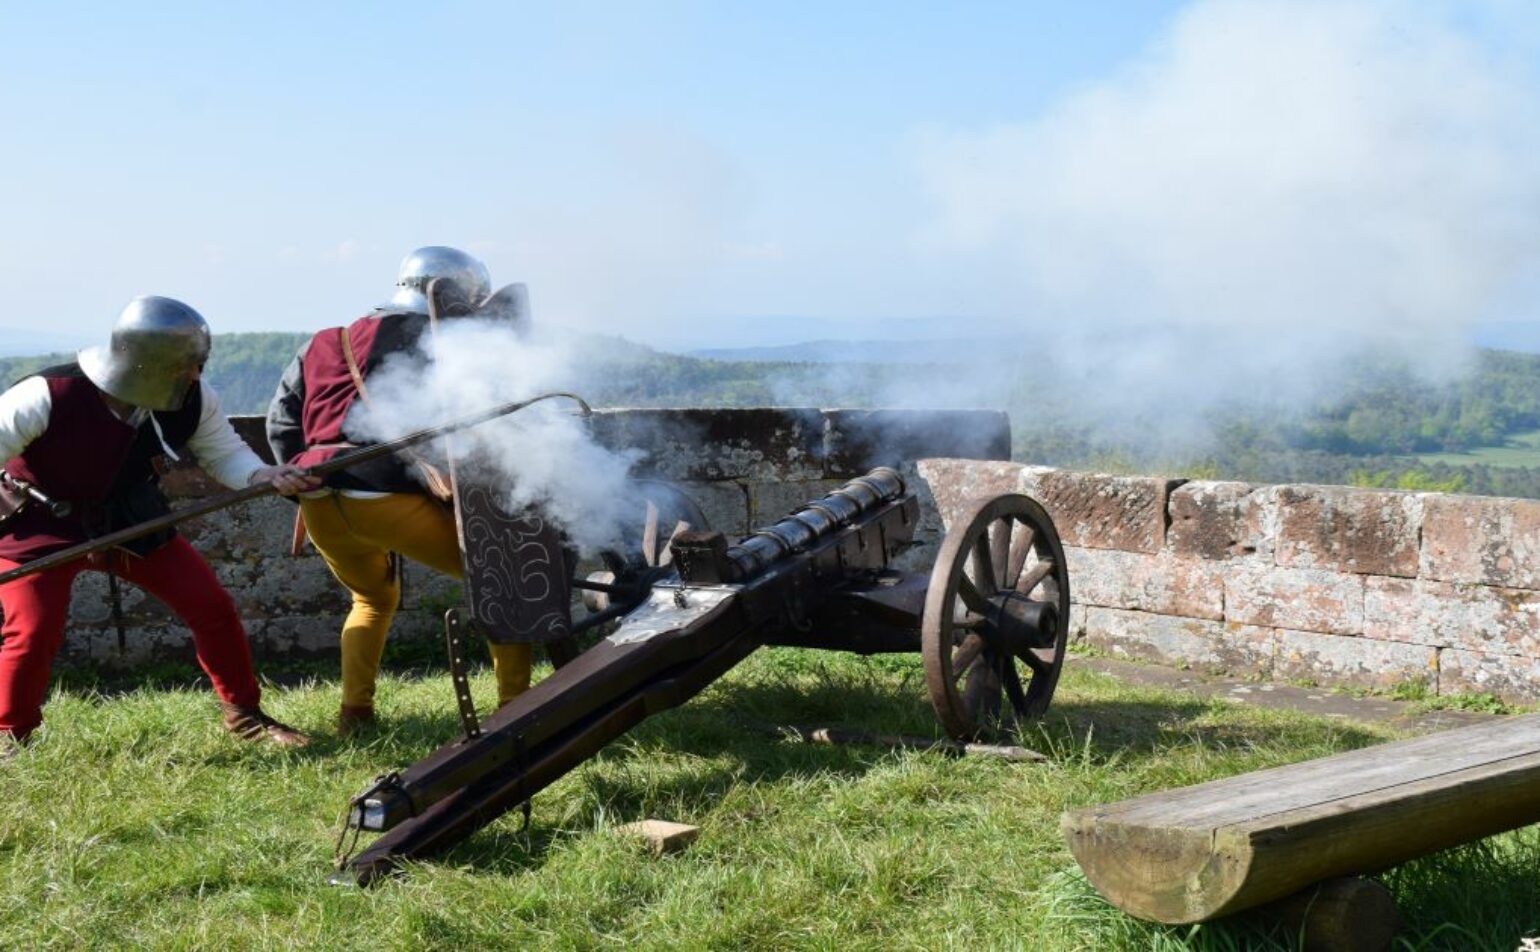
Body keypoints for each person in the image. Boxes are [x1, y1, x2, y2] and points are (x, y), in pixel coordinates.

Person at [0, 296, 315, 751]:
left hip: (131, 516)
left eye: (195, 364)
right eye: (182, 365)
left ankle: (245, 715)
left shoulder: (192, 399)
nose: (193, 376)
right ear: (143, 362)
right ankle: (12, 738)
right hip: (38, 522)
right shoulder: (46, 394)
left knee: (212, 608)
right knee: (31, 633)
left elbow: (223, 452)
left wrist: (263, 474)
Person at [266, 246, 532, 735]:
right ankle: (516, 712)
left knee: (370, 601)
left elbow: (282, 425)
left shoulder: (327, 340)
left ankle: (355, 715)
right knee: (505, 578)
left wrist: (303, 482)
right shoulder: (441, 340)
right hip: (387, 497)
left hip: (319, 500)